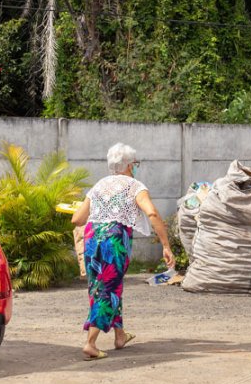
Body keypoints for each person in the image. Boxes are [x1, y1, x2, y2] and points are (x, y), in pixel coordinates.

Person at [72, 142, 175, 360]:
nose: (136, 167)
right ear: (129, 165)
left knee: (104, 286)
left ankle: (120, 335)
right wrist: (166, 245)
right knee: (108, 288)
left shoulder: (99, 185)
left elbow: (77, 219)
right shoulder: (135, 186)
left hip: (92, 238)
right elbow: (153, 214)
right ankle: (90, 343)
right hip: (113, 240)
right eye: (135, 163)